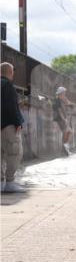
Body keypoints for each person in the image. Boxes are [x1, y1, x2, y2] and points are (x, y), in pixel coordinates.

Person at [1, 62, 25, 193]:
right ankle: (9, 182)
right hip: (8, 125)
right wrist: (18, 122)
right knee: (15, 152)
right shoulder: (7, 85)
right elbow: (11, 106)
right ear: (10, 72)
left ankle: (0, 183)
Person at [52, 86, 72, 156]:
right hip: (59, 118)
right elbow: (59, 111)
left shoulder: (61, 100)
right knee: (67, 131)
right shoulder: (57, 100)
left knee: (68, 132)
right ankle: (64, 149)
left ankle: (64, 148)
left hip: (62, 118)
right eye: (64, 93)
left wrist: (66, 100)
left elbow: (69, 104)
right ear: (60, 93)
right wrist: (64, 119)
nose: (65, 94)